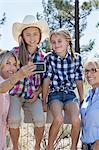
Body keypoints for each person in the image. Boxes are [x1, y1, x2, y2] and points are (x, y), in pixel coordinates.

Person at [8, 15, 49, 150]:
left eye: (35, 34)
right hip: (16, 94)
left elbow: (44, 79)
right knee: (13, 119)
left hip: (33, 95)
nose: (32, 38)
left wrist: (37, 93)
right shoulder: (15, 53)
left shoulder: (43, 56)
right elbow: (8, 71)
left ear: (39, 36)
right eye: (28, 34)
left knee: (40, 119)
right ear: (22, 37)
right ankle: (15, 146)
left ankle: (37, 146)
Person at [42, 28, 84, 150]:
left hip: (70, 95)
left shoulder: (76, 58)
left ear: (67, 42)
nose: (56, 45)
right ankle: (49, 146)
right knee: (58, 119)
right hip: (55, 94)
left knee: (77, 120)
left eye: (59, 41)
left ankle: (73, 147)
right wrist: (44, 101)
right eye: (53, 42)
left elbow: (79, 80)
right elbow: (46, 79)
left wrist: (82, 99)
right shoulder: (49, 58)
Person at [0, 50, 36, 150]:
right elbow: (1, 89)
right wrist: (19, 75)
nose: (12, 68)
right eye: (8, 63)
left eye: (15, 64)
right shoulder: (4, 84)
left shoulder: (8, 85)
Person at [80, 58, 99, 150]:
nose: (89, 74)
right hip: (85, 146)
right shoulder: (88, 96)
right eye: (86, 71)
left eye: (93, 70)